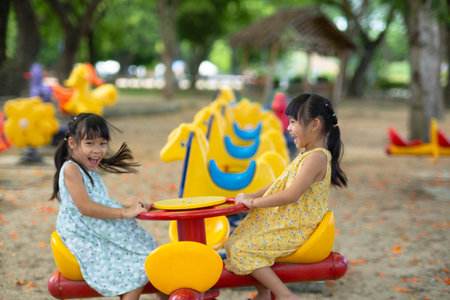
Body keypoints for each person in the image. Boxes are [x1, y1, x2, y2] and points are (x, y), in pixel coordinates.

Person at [225, 93, 347, 300]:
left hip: (297, 226)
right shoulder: (306, 155)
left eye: (292, 122)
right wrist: (250, 195)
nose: (288, 128)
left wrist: (254, 203)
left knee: (241, 248)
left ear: (315, 124)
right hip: (288, 220)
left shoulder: (317, 157)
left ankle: (285, 295)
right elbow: (280, 182)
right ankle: (265, 293)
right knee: (235, 240)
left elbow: (291, 194)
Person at [50, 113, 166, 300]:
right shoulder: (71, 169)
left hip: (94, 227)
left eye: (102, 143)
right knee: (137, 268)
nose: (97, 150)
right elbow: (86, 208)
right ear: (72, 143)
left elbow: (101, 203)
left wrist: (133, 207)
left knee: (153, 254)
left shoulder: (90, 171)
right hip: (84, 234)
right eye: (89, 143)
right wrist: (123, 213)